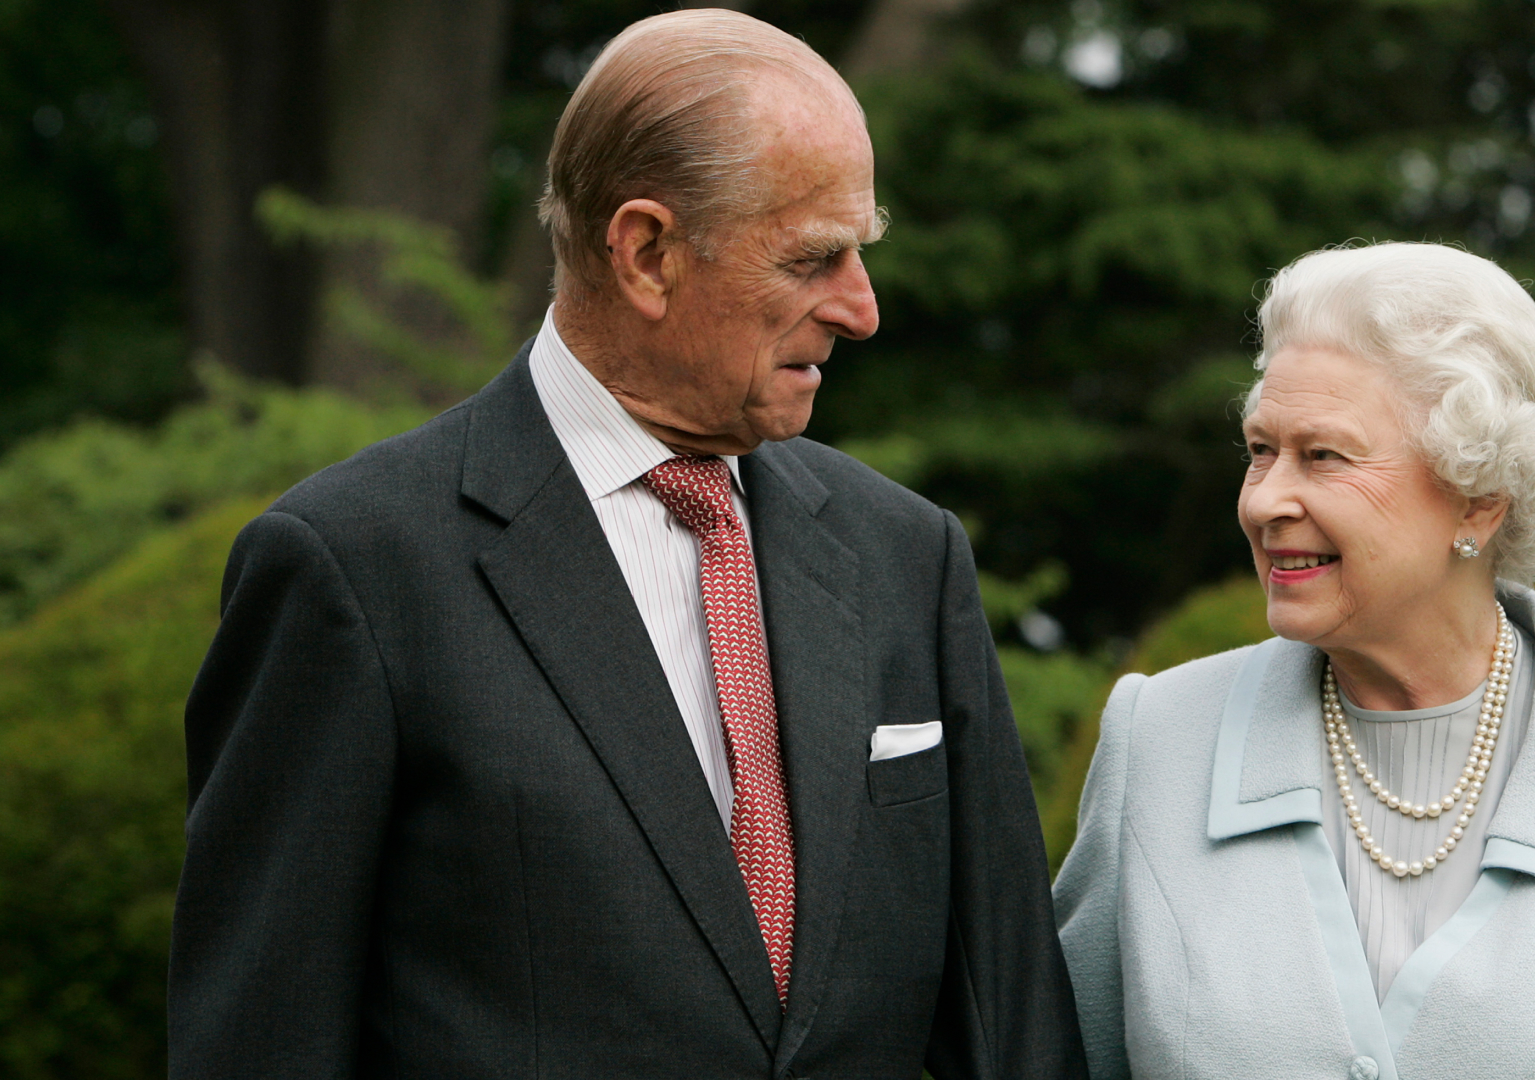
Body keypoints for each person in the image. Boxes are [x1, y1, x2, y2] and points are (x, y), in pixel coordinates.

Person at [169, 11, 1085, 1078]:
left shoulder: (907, 557)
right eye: (813, 258)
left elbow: (1014, 1028)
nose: (862, 309)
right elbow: (260, 1044)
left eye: (860, 253)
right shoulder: (353, 569)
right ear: (647, 252)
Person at [1052, 242, 1535, 1079]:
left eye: (1324, 456)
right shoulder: (1159, 741)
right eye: (1261, 449)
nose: (1265, 500)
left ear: (1478, 495)